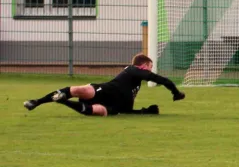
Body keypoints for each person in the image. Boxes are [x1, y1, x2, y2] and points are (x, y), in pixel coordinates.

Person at [23, 53, 185, 116]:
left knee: (98, 111)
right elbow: (162, 80)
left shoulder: (135, 80)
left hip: (116, 106)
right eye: (150, 67)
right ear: (143, 65)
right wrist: (175, 92)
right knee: (81, 90)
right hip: (107, 91)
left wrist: (144, 111)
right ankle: (37, 102)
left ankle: (63, 100)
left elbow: (126, 110)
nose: (150, 71)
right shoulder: (133, 70)